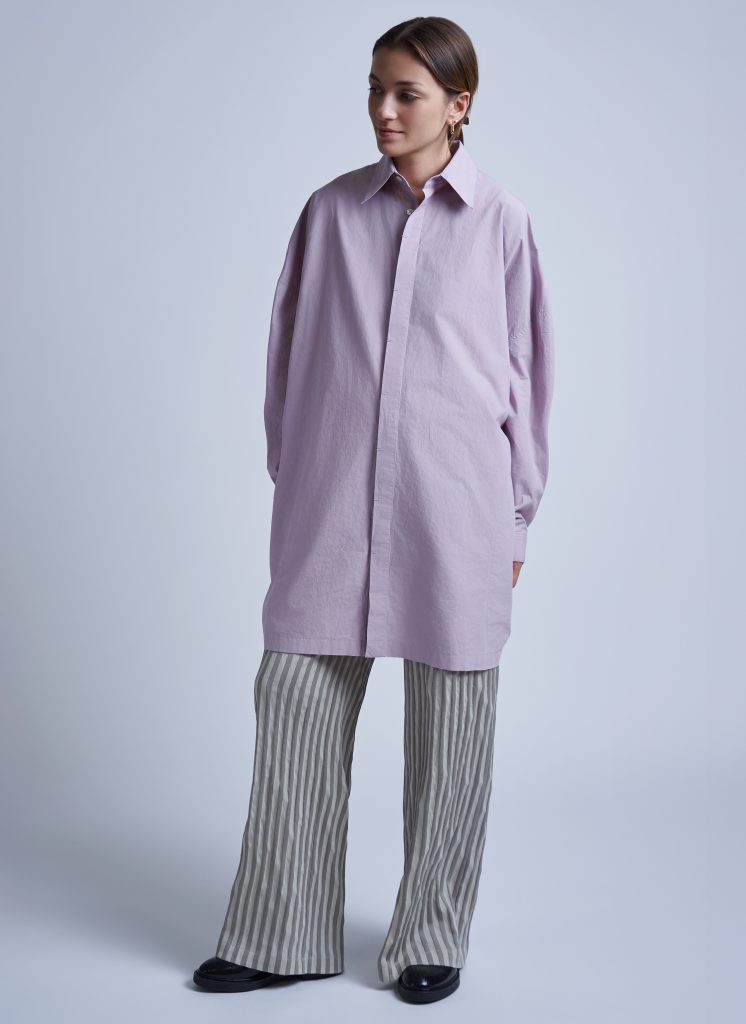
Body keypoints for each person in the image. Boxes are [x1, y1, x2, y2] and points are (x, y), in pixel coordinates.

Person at [192, 15, 555, 1006]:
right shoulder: (329, 213)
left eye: (406, 93)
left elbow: (526, 380)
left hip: (457, 508)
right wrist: (299, 474)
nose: (383, 110)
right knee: (296, 702)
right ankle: (283, 933)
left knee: (452, 730)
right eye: (374, 89)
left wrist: (516, 517)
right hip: (332, 507)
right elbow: (285, 355)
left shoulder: (503, 223)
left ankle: (431, 934)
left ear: (457, 105)